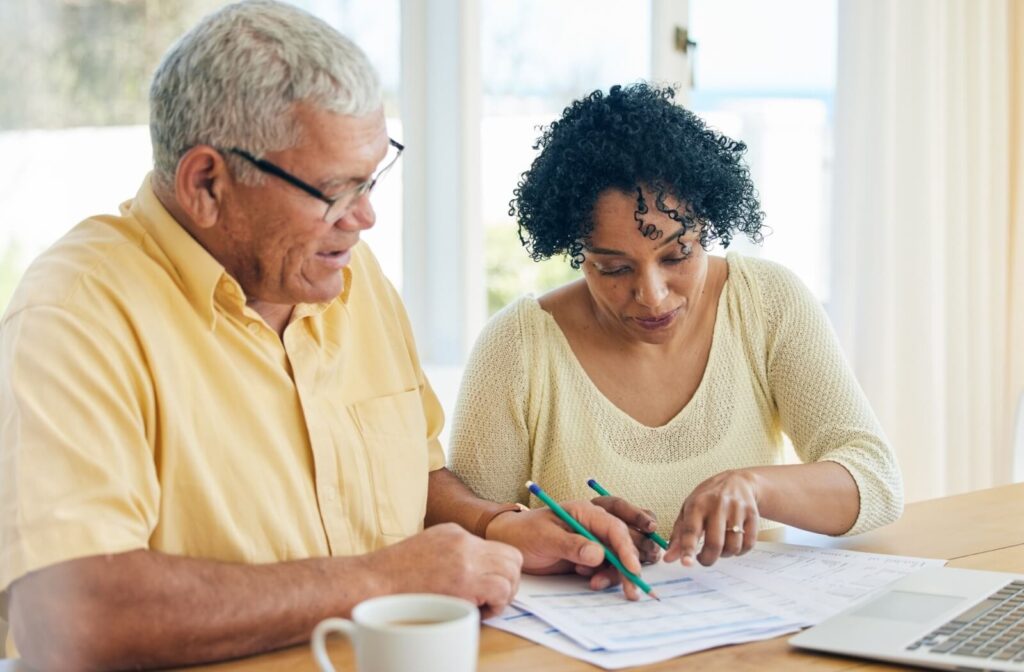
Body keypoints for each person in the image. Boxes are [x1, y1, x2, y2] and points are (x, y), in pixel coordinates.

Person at [0, 3, 645, 669]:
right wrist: (378, 581)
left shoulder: (345, 274)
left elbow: (410, 477)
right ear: (206, 184)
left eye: (372, 177)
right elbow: (70, 615)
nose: (364, 217)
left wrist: (498, 526)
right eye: (335, 191)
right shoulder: (76, 312)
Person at [449, 83, 904, 572]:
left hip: (746, 631)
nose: (653, 295)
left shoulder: (766, 302)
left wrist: (755, 486)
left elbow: (875, 483)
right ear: (577, 252)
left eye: (677, 255)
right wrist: (549, 541)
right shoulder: (519, 347)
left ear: (708, 223)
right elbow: (465, 540)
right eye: (614, 268)